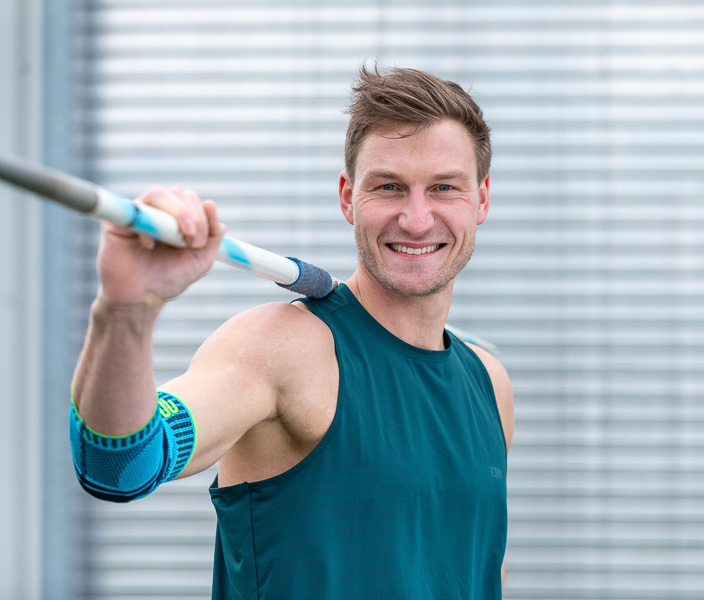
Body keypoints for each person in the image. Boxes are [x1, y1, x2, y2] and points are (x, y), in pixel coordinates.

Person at [70, 65, 514, 599]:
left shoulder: (490, 383)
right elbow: (119, 464)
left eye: (444, 188)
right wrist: (126, 310)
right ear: (348, 197)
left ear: (482, 199)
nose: (417, 219)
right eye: (389, 187)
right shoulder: (282, 349)